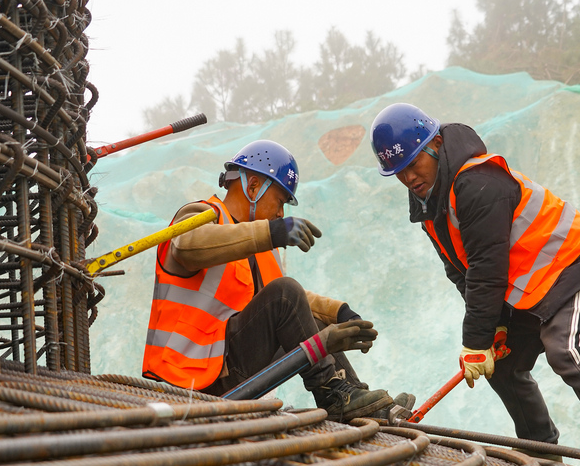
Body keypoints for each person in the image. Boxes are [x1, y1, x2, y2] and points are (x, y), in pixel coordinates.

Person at [370, 103, 580, 466]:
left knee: (567, 349)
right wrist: (494, 330)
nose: (409, 177)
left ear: (436, 144)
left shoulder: (477, 182)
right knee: (503, 364)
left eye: (414, 163)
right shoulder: (431, 204)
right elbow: (461, 271)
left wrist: (475, 340)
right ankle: (541, 450)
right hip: (536, 292)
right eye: (399, 171)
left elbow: (487, 269)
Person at [142, 139, 411, 421]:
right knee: (285, 294)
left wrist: (339, 313)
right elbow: (186, 247)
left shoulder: (260, 247)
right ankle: (332, 394)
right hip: (186, 376)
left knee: (311, 320)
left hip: (225, 367)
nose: (281, 214)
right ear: (253, 187)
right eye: (280, 201)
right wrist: (270, 233)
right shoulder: (200, 215)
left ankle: (356, 401)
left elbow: (294, 307)